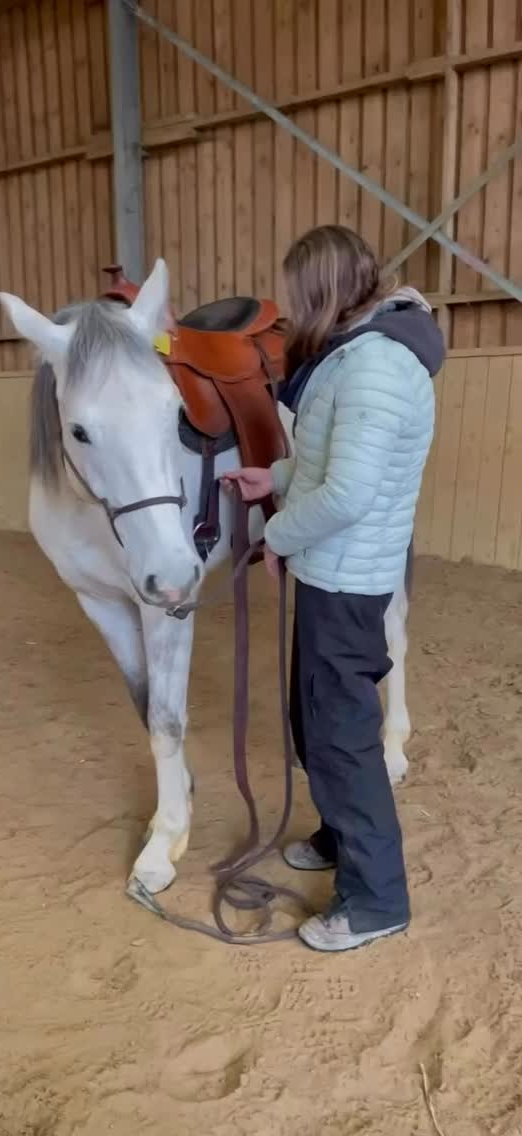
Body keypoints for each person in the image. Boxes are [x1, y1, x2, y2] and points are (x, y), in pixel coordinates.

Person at [224, 225, 444, 952]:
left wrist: (274, 536)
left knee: (344, 738)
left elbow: (348, 494)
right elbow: (326, 466)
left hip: (346, 580)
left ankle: (378, 901)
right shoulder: (359, 356)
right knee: (316, 716)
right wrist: (276, 479)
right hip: (336, 572)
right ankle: (336, 835)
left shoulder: (375, 367)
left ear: (321, 290)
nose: (293, 307)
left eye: (298, 293)